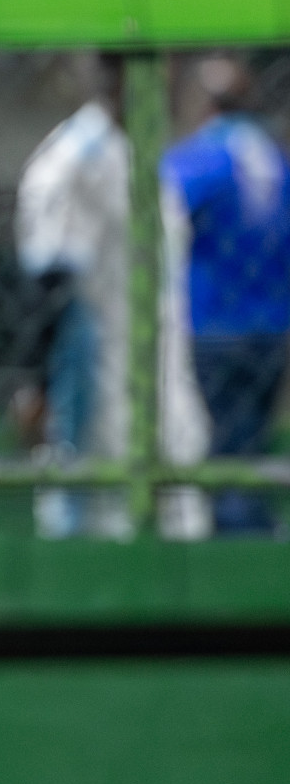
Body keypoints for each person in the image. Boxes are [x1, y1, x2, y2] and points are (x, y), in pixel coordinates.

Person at [160, 56, 290, 535]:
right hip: (272, 323)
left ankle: (233, 544)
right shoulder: (273, 158)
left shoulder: (202, 157)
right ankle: (254, 530)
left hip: (213, 321)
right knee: (252, 443)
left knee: (219, 445)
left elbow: (162, 208)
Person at [14, 53, 132, 539]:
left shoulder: (135, 153)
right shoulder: (76, 158)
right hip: (95, 382)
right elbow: (52, 282)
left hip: (146, 386)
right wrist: (38, 388)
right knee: (85, 522)